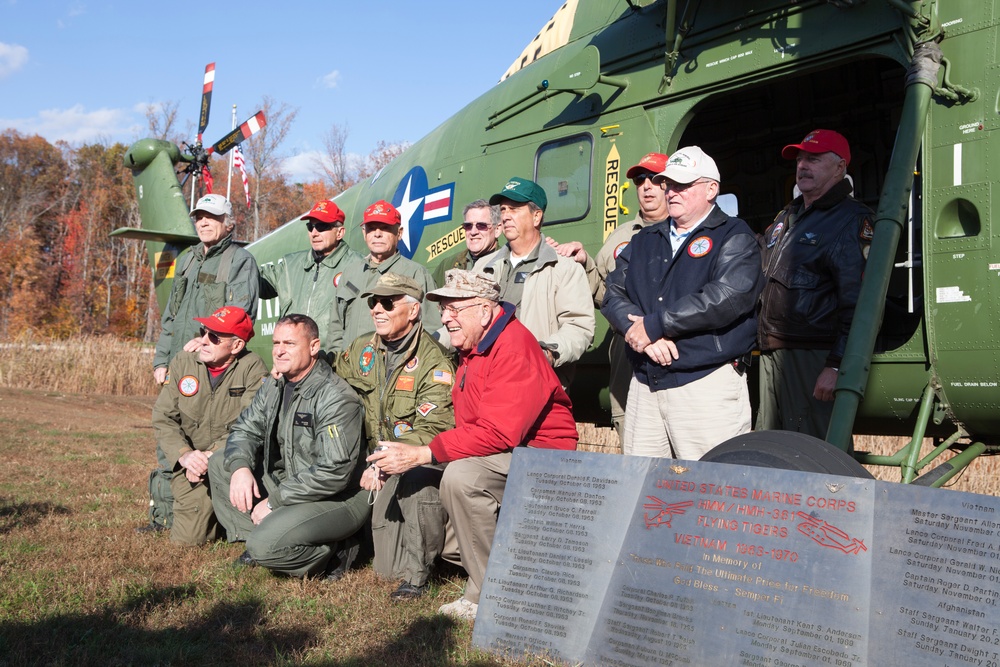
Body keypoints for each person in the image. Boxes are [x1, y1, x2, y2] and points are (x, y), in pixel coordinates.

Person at [369, 269, 578, 621]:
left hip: (544, 458)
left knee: (462, 477)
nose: (446, 317)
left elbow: (499, 432)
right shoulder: (474, 345)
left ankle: (488, 594)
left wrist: (425, 452)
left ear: (485, 310)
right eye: (443, 308)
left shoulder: (512, 346)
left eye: (455, 308)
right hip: (504, 451)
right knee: (428, 475)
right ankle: (486, 565)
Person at [602, 146, 762, 460]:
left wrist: (654, 325)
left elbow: (727, 297)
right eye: (669, 184)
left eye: (683, 185)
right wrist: (643, 338)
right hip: (645, 383)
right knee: (642, 489)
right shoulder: (645, 239)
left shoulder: (734, 236)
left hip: (705, 384)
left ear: (712, 189)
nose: (672, 192)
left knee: (713, 490)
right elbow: (613, 294)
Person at [208, 314, 369, 579]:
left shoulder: (335, 397)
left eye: (290, 344)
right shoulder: (275, 385)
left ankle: (332, 551)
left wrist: (274, 501)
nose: (279, 351)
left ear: (314, 347)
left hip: (337, 497)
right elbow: (244, 429)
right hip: (292, 483)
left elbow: (334, 472)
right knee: (221, 463)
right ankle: (258, 542)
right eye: (276, 343)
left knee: (265, 547)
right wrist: (240, 468)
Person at [335, 273, 455, 601]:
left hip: (406, 463)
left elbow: (434, 429)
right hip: (369, 461)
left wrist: (384, 463)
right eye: (373, 302)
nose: (377, 309)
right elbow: (333, 389)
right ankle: (338, 547)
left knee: (417, 476)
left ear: (414, 311)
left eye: (387, 302)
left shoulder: (435, 361)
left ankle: (419, 576)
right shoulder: (361, 349)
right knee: (385, 565)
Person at [757, 130, 873, 438]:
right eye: (799, 159)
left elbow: (860, 303)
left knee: (815, 454)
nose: (803, 166)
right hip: (772, 351)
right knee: (772, 450)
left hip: (813, 356)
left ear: (839, 168)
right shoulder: (788, 216)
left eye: (814, 159)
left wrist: (836, 365)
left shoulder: (851, 220)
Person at [549, 152, 670, 436]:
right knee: (633, 436)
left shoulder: (687, 229)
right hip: (628, 355)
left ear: (670, 184)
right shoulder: (621, 236)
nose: (647, 186)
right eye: (640, 180)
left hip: (674, 349)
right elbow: (605, 296)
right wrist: (585, 264)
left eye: (655, 178)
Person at [140, 306, 267, 543]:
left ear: (237, 346)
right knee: (187, 541)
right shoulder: (183, 362)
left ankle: (225, 514)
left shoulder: (252, 369)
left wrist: (210, 455)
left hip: (229, 463)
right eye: (204, 331)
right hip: (192, 468)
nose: (204, 341)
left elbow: (252, 426)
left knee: (252, 532)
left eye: (215, 337)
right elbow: (163, 417)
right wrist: (186, 455)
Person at [474, 177, 594, 388]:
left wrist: (547, 352)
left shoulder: (563, 268)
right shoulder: (482, 267)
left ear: (536, 216)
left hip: (535, 383)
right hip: (484, 381)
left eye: (514, 209)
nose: (505, 216)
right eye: (503, 210)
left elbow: (579, 326)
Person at [153, 194, 260, 385]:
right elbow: (171, 316)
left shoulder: (240, 260)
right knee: (167, 415)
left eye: (211, 217)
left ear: (229, 224)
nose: (203, 223)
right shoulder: (187, 261)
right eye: (199, 217)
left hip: (212, 371)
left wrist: (206, 341)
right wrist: (161, 360)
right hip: (176, 365)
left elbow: (240, 319)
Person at [327, 200, 440, 354]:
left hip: (392, 370)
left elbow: (432, 329)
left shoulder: (416, 273)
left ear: (399, 233)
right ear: (364, 233)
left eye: (385, 228)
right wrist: (336, 362)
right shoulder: (350, 273)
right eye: (371, 229)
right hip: (348, 371)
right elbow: (336, 327)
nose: (377, 234)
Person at [259, 199, 362, 356]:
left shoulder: (358, 266)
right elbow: (255, 283)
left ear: (340, 232)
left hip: (333, 363)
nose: (314, 232)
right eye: (310, 226)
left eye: (322, 226)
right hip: (292, 361)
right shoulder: (289, 265)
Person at [431, 199, 502, 287]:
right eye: (468, 226)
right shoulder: (448, 264)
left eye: (481, 225)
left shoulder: (506, 264)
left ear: (497, 230)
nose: (473, 232)